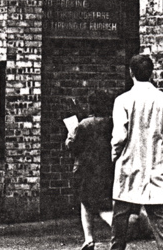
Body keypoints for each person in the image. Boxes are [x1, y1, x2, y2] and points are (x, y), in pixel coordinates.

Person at [110, 53, 163, 250]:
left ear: (130, 72)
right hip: (157, 166)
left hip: (129, 164)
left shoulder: (123, 100)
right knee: (161, 222)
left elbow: (119, 136)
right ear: (151, 73)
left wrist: (115, 156)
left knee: (120, 219)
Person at [65, 90, 114, 250]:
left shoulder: (84, 125)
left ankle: (89, 238)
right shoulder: (111, 123)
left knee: (86, 203)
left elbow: (73, 146)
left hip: (86, 169)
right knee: (103, 203)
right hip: (106, 168)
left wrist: (70, 135)